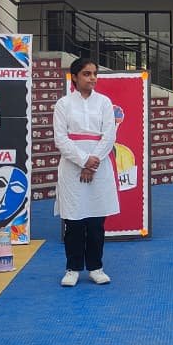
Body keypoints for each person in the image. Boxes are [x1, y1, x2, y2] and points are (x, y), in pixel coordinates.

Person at [53, 57, 119, 287]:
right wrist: (83, 161)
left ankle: (95, 267)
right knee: (74, 222)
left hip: (99, 166)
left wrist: (92, 162)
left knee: (95, 222)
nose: (92, 78)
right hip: (72, 167)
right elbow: (60, 138)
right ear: (74, 77)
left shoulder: (104, 102)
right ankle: (72, 269)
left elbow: (109, 135)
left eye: (94, 74)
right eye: (87, 74)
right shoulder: (63, 104)